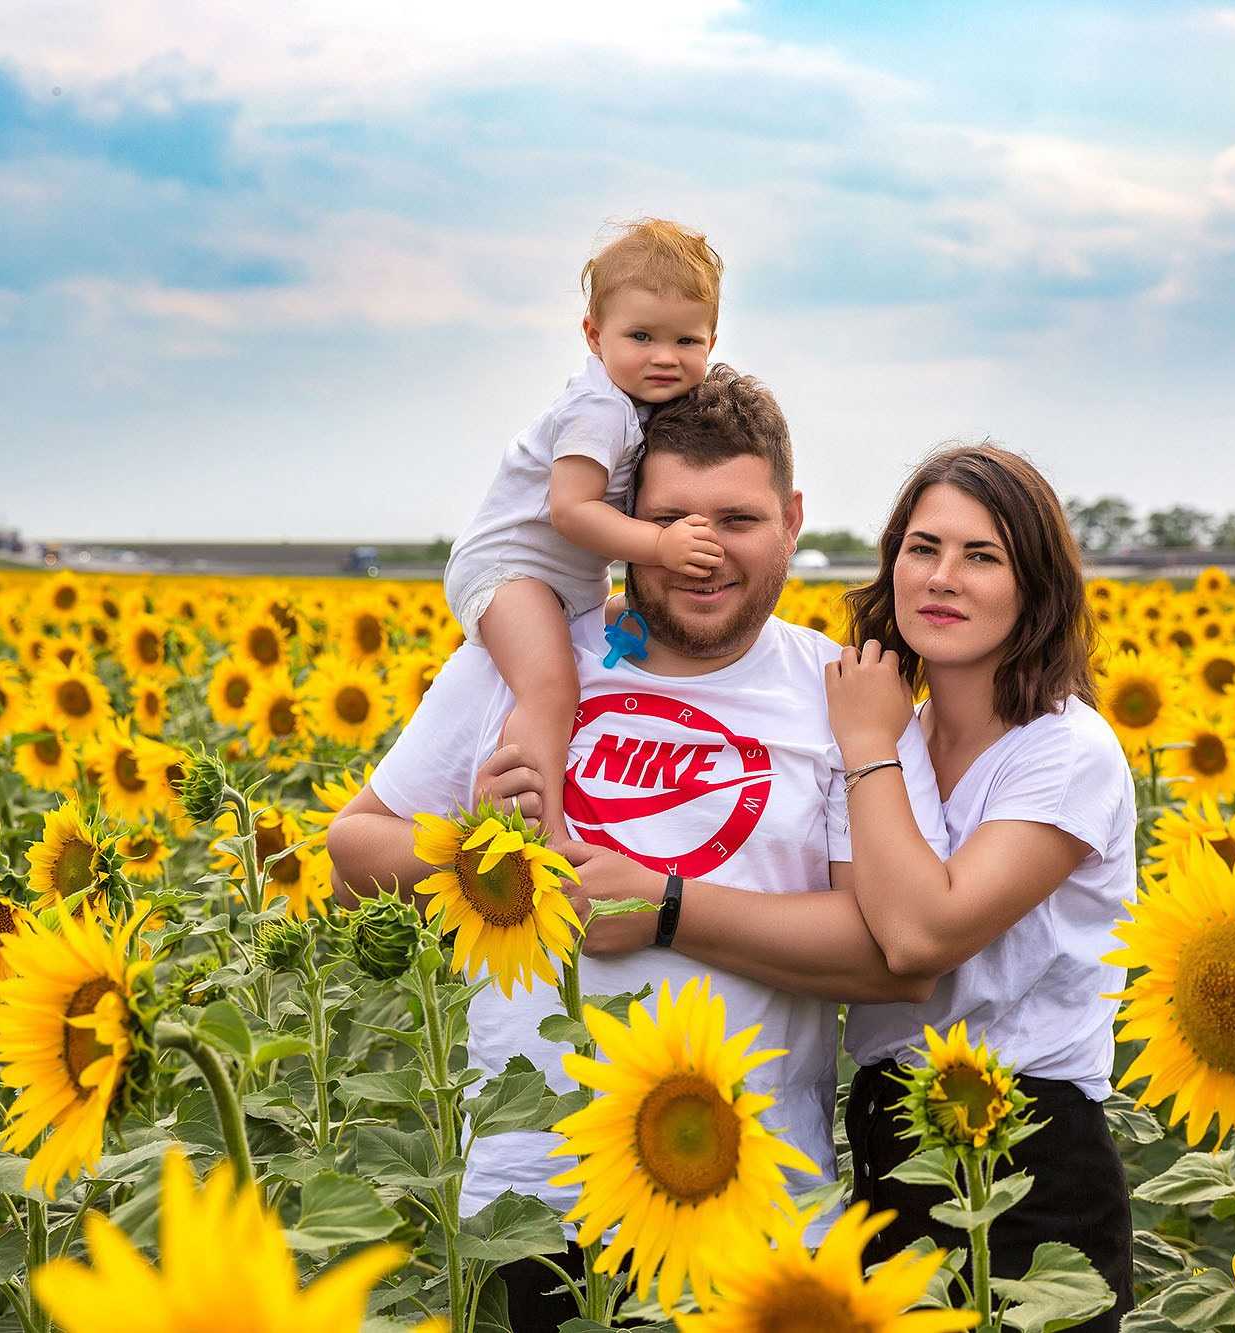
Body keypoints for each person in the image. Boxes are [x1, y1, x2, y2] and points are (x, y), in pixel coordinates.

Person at [329, 366, 949, 1333]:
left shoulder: (840, 699)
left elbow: (893, 956)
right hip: (528, 1201)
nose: (700, 555)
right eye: (669, 522)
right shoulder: (526, 661)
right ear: (621, 517)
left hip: (745, 1204)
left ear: (792, 518)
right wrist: (473, 851)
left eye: (737, 521)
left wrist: (668, 903)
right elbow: (353, 850)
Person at [822, 444, 1136, 1331]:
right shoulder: (892, 737)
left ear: (1035, 585)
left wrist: (868, 745)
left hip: (1031, 1142)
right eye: (922, 548)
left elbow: (919, 939)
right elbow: (863, 927)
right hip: (888, 1126)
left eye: (981, 555)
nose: (942, 578)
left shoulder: (1066, 750)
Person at [442, 218, 728, 831]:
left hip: (563, 583)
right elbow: (571, 510)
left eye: (687, 342)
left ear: (711, 340)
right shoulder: (599, 407)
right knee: (550, 689)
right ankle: (535, 831)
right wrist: (660, 544)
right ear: (594, 336)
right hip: (511, 569)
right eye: (642, 335)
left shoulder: (641, 406)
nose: (663, 357)